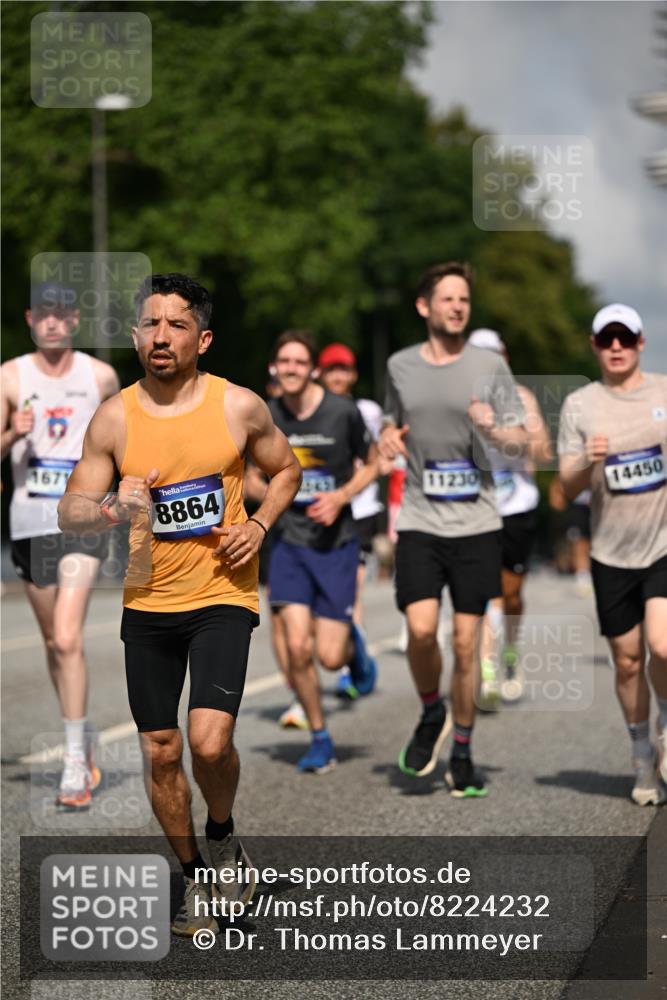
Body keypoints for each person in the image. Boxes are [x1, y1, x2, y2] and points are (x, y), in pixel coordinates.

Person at [58, 273, 301, 934]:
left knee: (208, 740)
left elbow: (286, 470)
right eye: (150, 324)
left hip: (222, 592)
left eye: (176, 324)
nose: (161, 335)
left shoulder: (237, 406)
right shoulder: (114, 417)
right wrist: (113, 506)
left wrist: (256, 526)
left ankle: (221, 834)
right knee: (162, 751)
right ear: (136, 335)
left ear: (204, 337)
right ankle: (198, 876)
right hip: (148, 603)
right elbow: (71, 508)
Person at [379, 262, 527, 798]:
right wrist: (386, 442)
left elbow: (522, 443)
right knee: (421, 630)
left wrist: (495, 429)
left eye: (465, 298)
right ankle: (430, 711)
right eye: (448, 298)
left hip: (478, 521)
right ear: (425, 306)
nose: (458, 306)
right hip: (420, 517)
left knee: (466, 646)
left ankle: (462, 749)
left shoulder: (489, 365)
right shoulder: (400, 365)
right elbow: (389, 425)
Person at [1, 281, 119, 810]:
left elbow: (125, 437)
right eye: (42, 314)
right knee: (54, 642)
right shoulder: (10, 376)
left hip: (81, 519)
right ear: (31, 319)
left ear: (73, 320)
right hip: (28, 522)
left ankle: (75, 761)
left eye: (61, 314)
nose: (51, 322)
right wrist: (11, 433)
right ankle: (84, 733)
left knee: (69, 638)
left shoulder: (99, 376)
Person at [558, 303, 667, 806]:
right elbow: (565, 483)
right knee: (627, 663)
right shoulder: (580, 405)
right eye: (608, 339)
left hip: (662, 544)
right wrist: (587, 459)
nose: (617, 347)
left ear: (641, 343)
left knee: (663, 647)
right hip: (610, 552)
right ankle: (642, 756)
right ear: (595, 345)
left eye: (626, 338)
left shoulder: (664, 392)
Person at [267, 330, 379, 773]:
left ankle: (354, 648)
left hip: (336, 545)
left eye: (300, 362)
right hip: (289, 543)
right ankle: (320, 736)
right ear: (275, 368)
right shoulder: (267, 414)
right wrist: (269, 495)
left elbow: (373, 464)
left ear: (312, 369)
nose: (291, 369)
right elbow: (253, 475)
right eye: (284, 361)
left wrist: (341, 496)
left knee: (329, 657)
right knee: (297, 647)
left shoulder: (342, 412)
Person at [466, 328, 553, 707]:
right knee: (489, 594)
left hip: (516, 506)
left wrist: (500, 432)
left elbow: (544, 450)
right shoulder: (457, 398)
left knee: (512, 595)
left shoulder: (522, 397)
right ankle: (486, 673)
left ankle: (511, 653)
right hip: (474, 509)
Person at [317, 342, 389, 699]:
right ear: (320, 373)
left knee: (351, 590)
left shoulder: (368, 410)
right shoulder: (310, 410)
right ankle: (354, 650)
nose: (338, 376)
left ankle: (348, 667)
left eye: (344, 369)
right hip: (318, 512)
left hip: (359, 511)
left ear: (354, 374)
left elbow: (380, 454)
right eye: (331, 369)